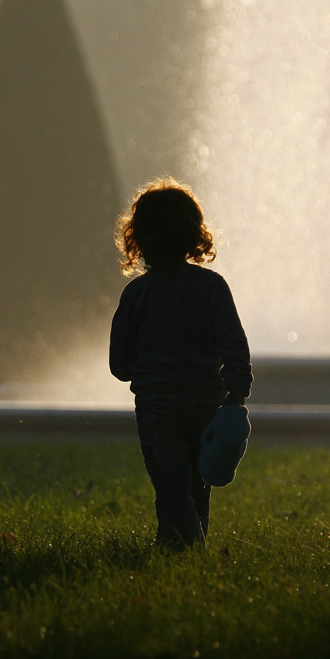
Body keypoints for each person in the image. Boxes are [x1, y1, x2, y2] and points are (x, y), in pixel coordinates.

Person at [109, 177, 253, 550]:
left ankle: (182, 544)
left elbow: (119, 363)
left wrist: (139, 370)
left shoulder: (137, 293)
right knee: (197, 480)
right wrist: (235, 393)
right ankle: (186, 545)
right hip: (207, 400)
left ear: (137, 238)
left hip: (158, 403)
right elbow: (235, 346)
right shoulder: (212, 287)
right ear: (195, 234)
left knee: (169, 479)